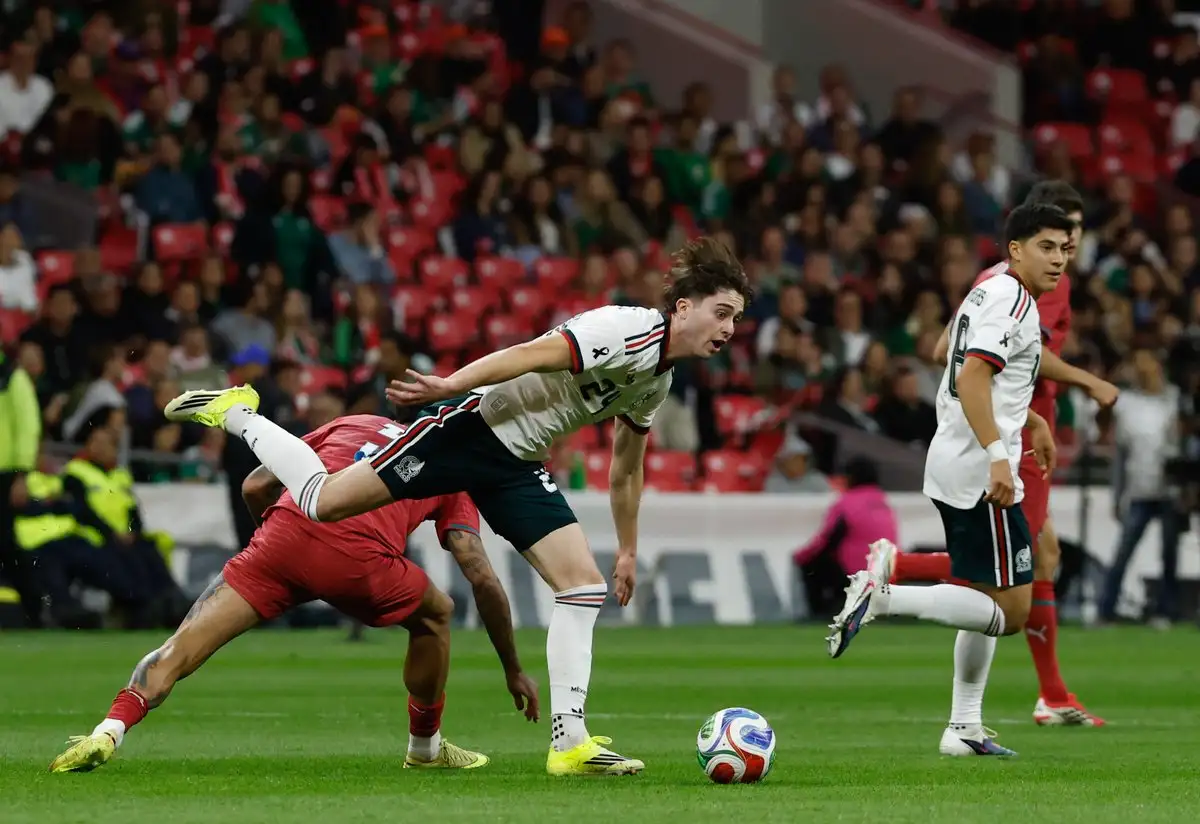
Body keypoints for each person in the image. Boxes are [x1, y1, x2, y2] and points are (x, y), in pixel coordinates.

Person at [163, 236, 754, 776]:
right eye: (721, 312)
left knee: (582, 584)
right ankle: (239, 412)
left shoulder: (658, 379)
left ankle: (569, 744)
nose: (728, 328)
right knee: (322, 503)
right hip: (469, 433)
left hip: (516, 465)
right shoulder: (625, 330)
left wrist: (628, 547)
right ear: (682, 306)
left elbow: (626, 466)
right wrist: (451, 386)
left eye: (737, 318)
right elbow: (529, 354)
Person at [48, 414, 539, 774]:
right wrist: (513, 668)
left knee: (180, 648)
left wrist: (275, 543)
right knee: (437, 613)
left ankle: (107, 732)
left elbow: (257, 483)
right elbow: (480, 575)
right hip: (358, 563)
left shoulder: (354, 422)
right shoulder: (454, 468)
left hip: (282, 539)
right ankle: (426, 748)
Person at [825, 202, 1073, 757]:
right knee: (1013, 613)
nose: (1059, 260)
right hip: (977, 467)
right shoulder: (1012, 301)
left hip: (954, 458)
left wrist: (1028, 421)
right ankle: (884, 598)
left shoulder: (990, 288)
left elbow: (966, 365)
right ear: (1017, 249)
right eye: (1047, 247)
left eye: (1066, 249)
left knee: (982, 592)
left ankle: (963, 727)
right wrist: (998, 456)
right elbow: (972, 375)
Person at [889, 181, 1118, 726]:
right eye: (1056, 239)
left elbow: (950, 349)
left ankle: (982, 717)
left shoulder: (1001, 284)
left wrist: (1033, 418)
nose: (1066, 250)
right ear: (1021, 243)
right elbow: (963, 362)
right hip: (996, 441)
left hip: (1016, 429)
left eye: (1072, 238)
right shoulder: (1013, 290)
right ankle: (893, 575)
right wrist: (1082, 384)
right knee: (1012, 584)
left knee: (1040, 556)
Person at [792, 457, 895, 617]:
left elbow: (825, 539)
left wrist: (800, 556)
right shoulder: (883, 502)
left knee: (811, 565)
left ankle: (819, 613)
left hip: (854, 573)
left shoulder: (847, 503)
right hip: (885, 573)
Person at [0, 348, 42, 627]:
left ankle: (34, 607)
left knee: (7, 545)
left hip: (5, 473)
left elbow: (28, 425)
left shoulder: (11, 376)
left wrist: (22, 473)